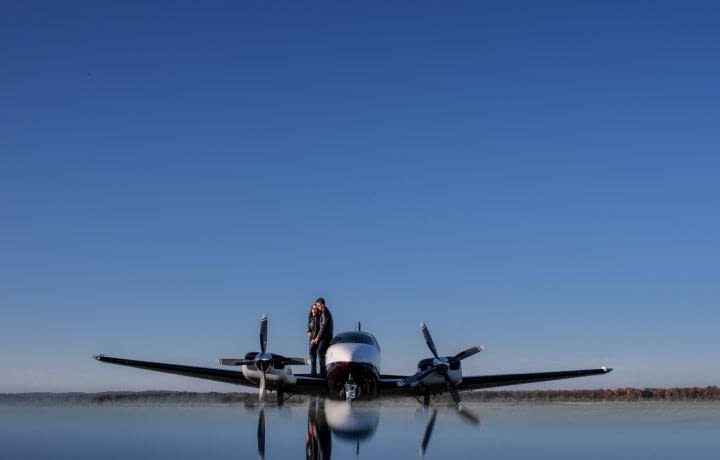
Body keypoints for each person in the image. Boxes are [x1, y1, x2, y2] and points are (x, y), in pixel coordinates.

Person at [310, 297, 334, 378]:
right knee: (316, 350)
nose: (317, 307)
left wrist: (317, 338)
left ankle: (323, 372)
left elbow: (323, 326)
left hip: (326, 337)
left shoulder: (325, 313)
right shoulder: (323, 312)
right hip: (323, 337)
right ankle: (317, 370)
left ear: (322, 305)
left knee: (320, 351)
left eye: (318, 305)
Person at [307, 303, 320, 377]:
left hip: (316, 338)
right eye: (313, 308)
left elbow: (317, 329)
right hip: (311, 338)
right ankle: (313, 370)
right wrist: (308, 331)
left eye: (315, 309)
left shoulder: (318, 318)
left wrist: (315, 339)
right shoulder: (310, 318)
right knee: (312, 354)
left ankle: (314, 370)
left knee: (312, 352)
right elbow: (309, 328)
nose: (314, 310)